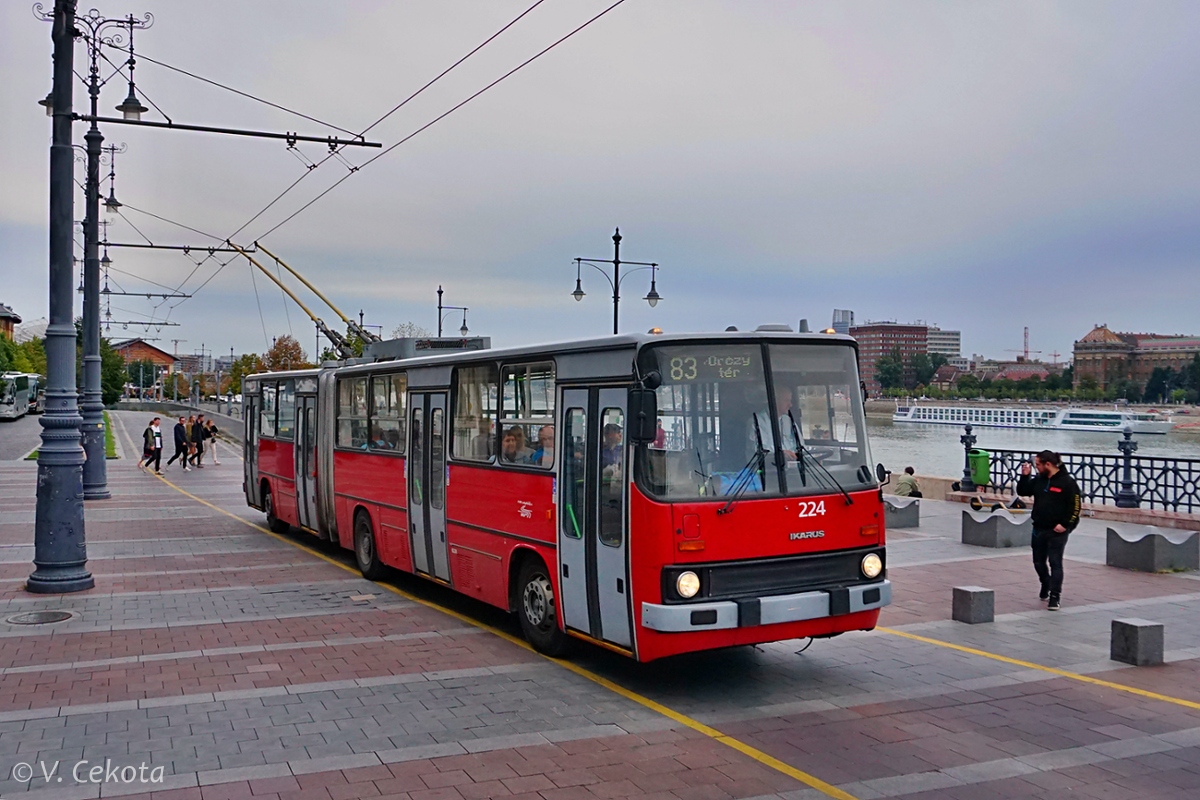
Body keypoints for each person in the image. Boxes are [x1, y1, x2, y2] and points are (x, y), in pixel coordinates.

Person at [1017, 450, 1081, 611]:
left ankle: (1055, 596)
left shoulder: (1067, 482)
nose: (1036, 467)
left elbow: (1075, 507)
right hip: (1038, 528)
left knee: (1055, 562)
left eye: (1038, 465)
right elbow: (1023, 491)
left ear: (1048, 464)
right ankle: (1045, 583)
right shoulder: (1040, 479)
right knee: (1038, 562)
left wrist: (1065, 525)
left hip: (1057, 530)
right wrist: (1025, 476)